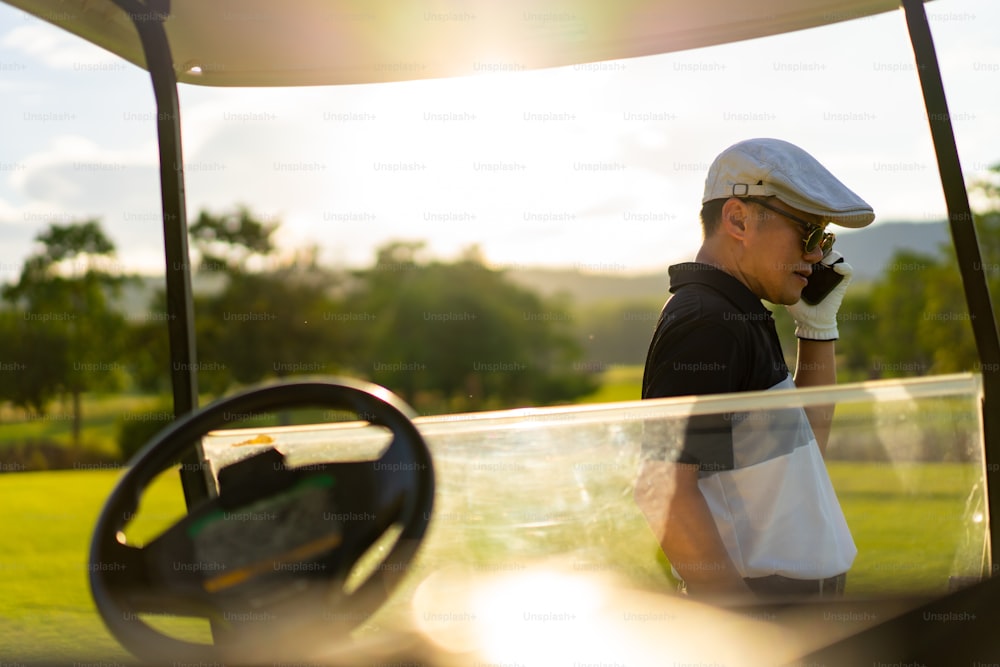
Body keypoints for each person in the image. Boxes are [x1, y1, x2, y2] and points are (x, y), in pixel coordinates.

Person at [634, 137, 874, 601]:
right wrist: (744, 624)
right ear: (739, 220)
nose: (816, 257)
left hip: (794, 604)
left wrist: (818, 330)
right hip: (768, 609)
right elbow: (661, 489)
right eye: (807, 235)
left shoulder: (736, 313)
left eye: (823, 241)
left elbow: (807, 452)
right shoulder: (708, 321)